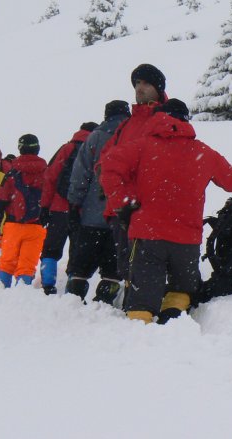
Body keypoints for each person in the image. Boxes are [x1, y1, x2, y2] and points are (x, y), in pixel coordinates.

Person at [100, 99, 232, 325]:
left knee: (143, 296)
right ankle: (172, 320)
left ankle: (140, 332)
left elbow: (109, 166)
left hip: (148, 235)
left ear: (159, 118)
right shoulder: (202, 152)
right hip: (186, 239)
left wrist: (123, 202)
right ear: (186, 120)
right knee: (182, 289)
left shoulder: (141, 146)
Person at [98, 63, 171, 303]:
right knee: (126, 260)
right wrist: (111, 188)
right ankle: (134, 305)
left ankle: (145, 305)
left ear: (158, 89)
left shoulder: (164, 118)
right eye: (137, 83)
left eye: (145, 83)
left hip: (150, 206)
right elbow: (104, 159)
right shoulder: (128, 123)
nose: (139, 88)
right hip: (122, 207)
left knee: (148, 260)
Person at [65, 100, 131, 304]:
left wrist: (75, 202)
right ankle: (105, 298)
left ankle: (74, 297)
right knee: (113, 265)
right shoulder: (132, 137)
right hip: (120, 214)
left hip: (91, 215)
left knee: (81, 264)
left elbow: (80, 174)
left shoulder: (94, 138)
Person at [37, 122, 97, 295]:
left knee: (51, 248)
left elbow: (50, 177)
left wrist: (45, 206)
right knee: (77, 249)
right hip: (83, 211)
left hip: (59, 208)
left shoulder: (67, 148)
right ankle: (73, 283)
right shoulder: (97, 149)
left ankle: (48, 284)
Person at [0, 134, 48, 288]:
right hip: (36, 225)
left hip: (13, 225)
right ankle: (22, 293)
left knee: (7, 262)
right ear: (38, 149)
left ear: (20, 149)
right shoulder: (46, 173)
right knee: (27, 265)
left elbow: (1, 199)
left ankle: (1, 290)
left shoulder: (12, 173)